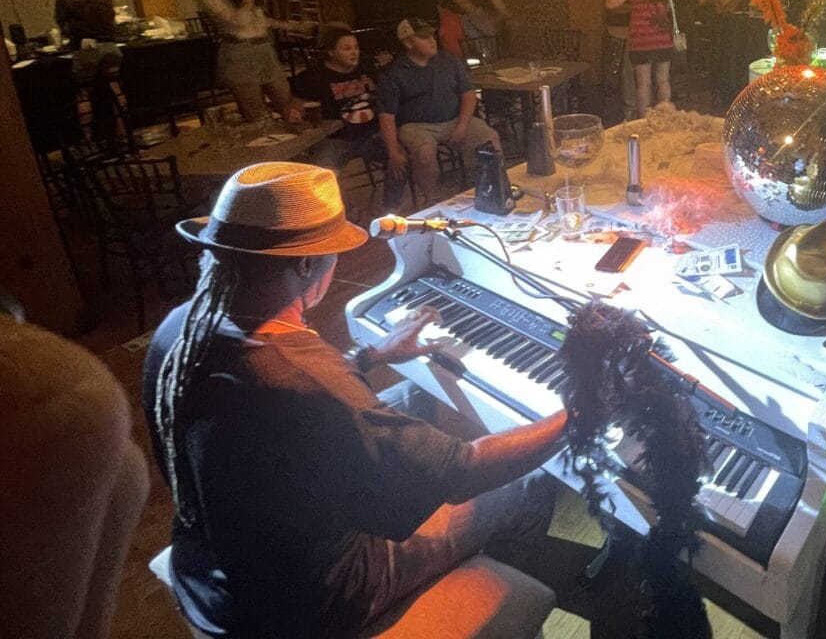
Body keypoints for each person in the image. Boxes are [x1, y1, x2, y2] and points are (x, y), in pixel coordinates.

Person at [142, 162, 567, 639]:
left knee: (409, 397)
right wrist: (581, 410)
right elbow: (462, 471)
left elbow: (290, 410)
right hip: (310, 604)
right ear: (306, 264)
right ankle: (497, 604)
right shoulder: (302, 383)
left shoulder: (180, 329)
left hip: (212, 568)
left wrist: (369, 357)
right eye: (334, 253)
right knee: (530, 483)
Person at [376, 17, 501, 205]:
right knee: (425, 152)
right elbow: (387, 116)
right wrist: (393, 151)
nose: (432, 40)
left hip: (454, 119)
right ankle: (431, 199)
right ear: (409, 43)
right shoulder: (394, 73)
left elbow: (468, 94)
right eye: (423, 37)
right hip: (416, 125)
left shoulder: (448, 60)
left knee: (491, 138)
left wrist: (462, 125)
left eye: (431, 35)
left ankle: (496, 188)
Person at [195, 0, 312, 123]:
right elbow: (240, 21)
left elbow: (261, 21)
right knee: (256, 115)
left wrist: (296, 27)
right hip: (239, 53)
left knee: (289, 106)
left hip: (263, 49)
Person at [287, 23, 398, 204]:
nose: (354, 53)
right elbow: (294, 105)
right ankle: (341, 212)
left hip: (373, 133)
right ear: (331, 52)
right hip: (336, 139)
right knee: (322, 176)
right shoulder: (314, 77)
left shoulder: (366, 67)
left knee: (401, 158)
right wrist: (294, 113)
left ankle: (390, 208)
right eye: (347, 49)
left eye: (356, 47)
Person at [608, 0, 676, 114]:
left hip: (641, 40)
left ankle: (645, 121)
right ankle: (665, 118)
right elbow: (668, 7)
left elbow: (610, 4)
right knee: (663, 81)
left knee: (643, 83)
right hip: (663, 37)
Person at [600, 0, 640, 118]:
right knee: (622, 71)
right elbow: (609, 4)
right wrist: (636, 8)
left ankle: (635, 107)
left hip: (637, 26)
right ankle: (626, 110)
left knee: (635, 70)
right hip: (619, 26)